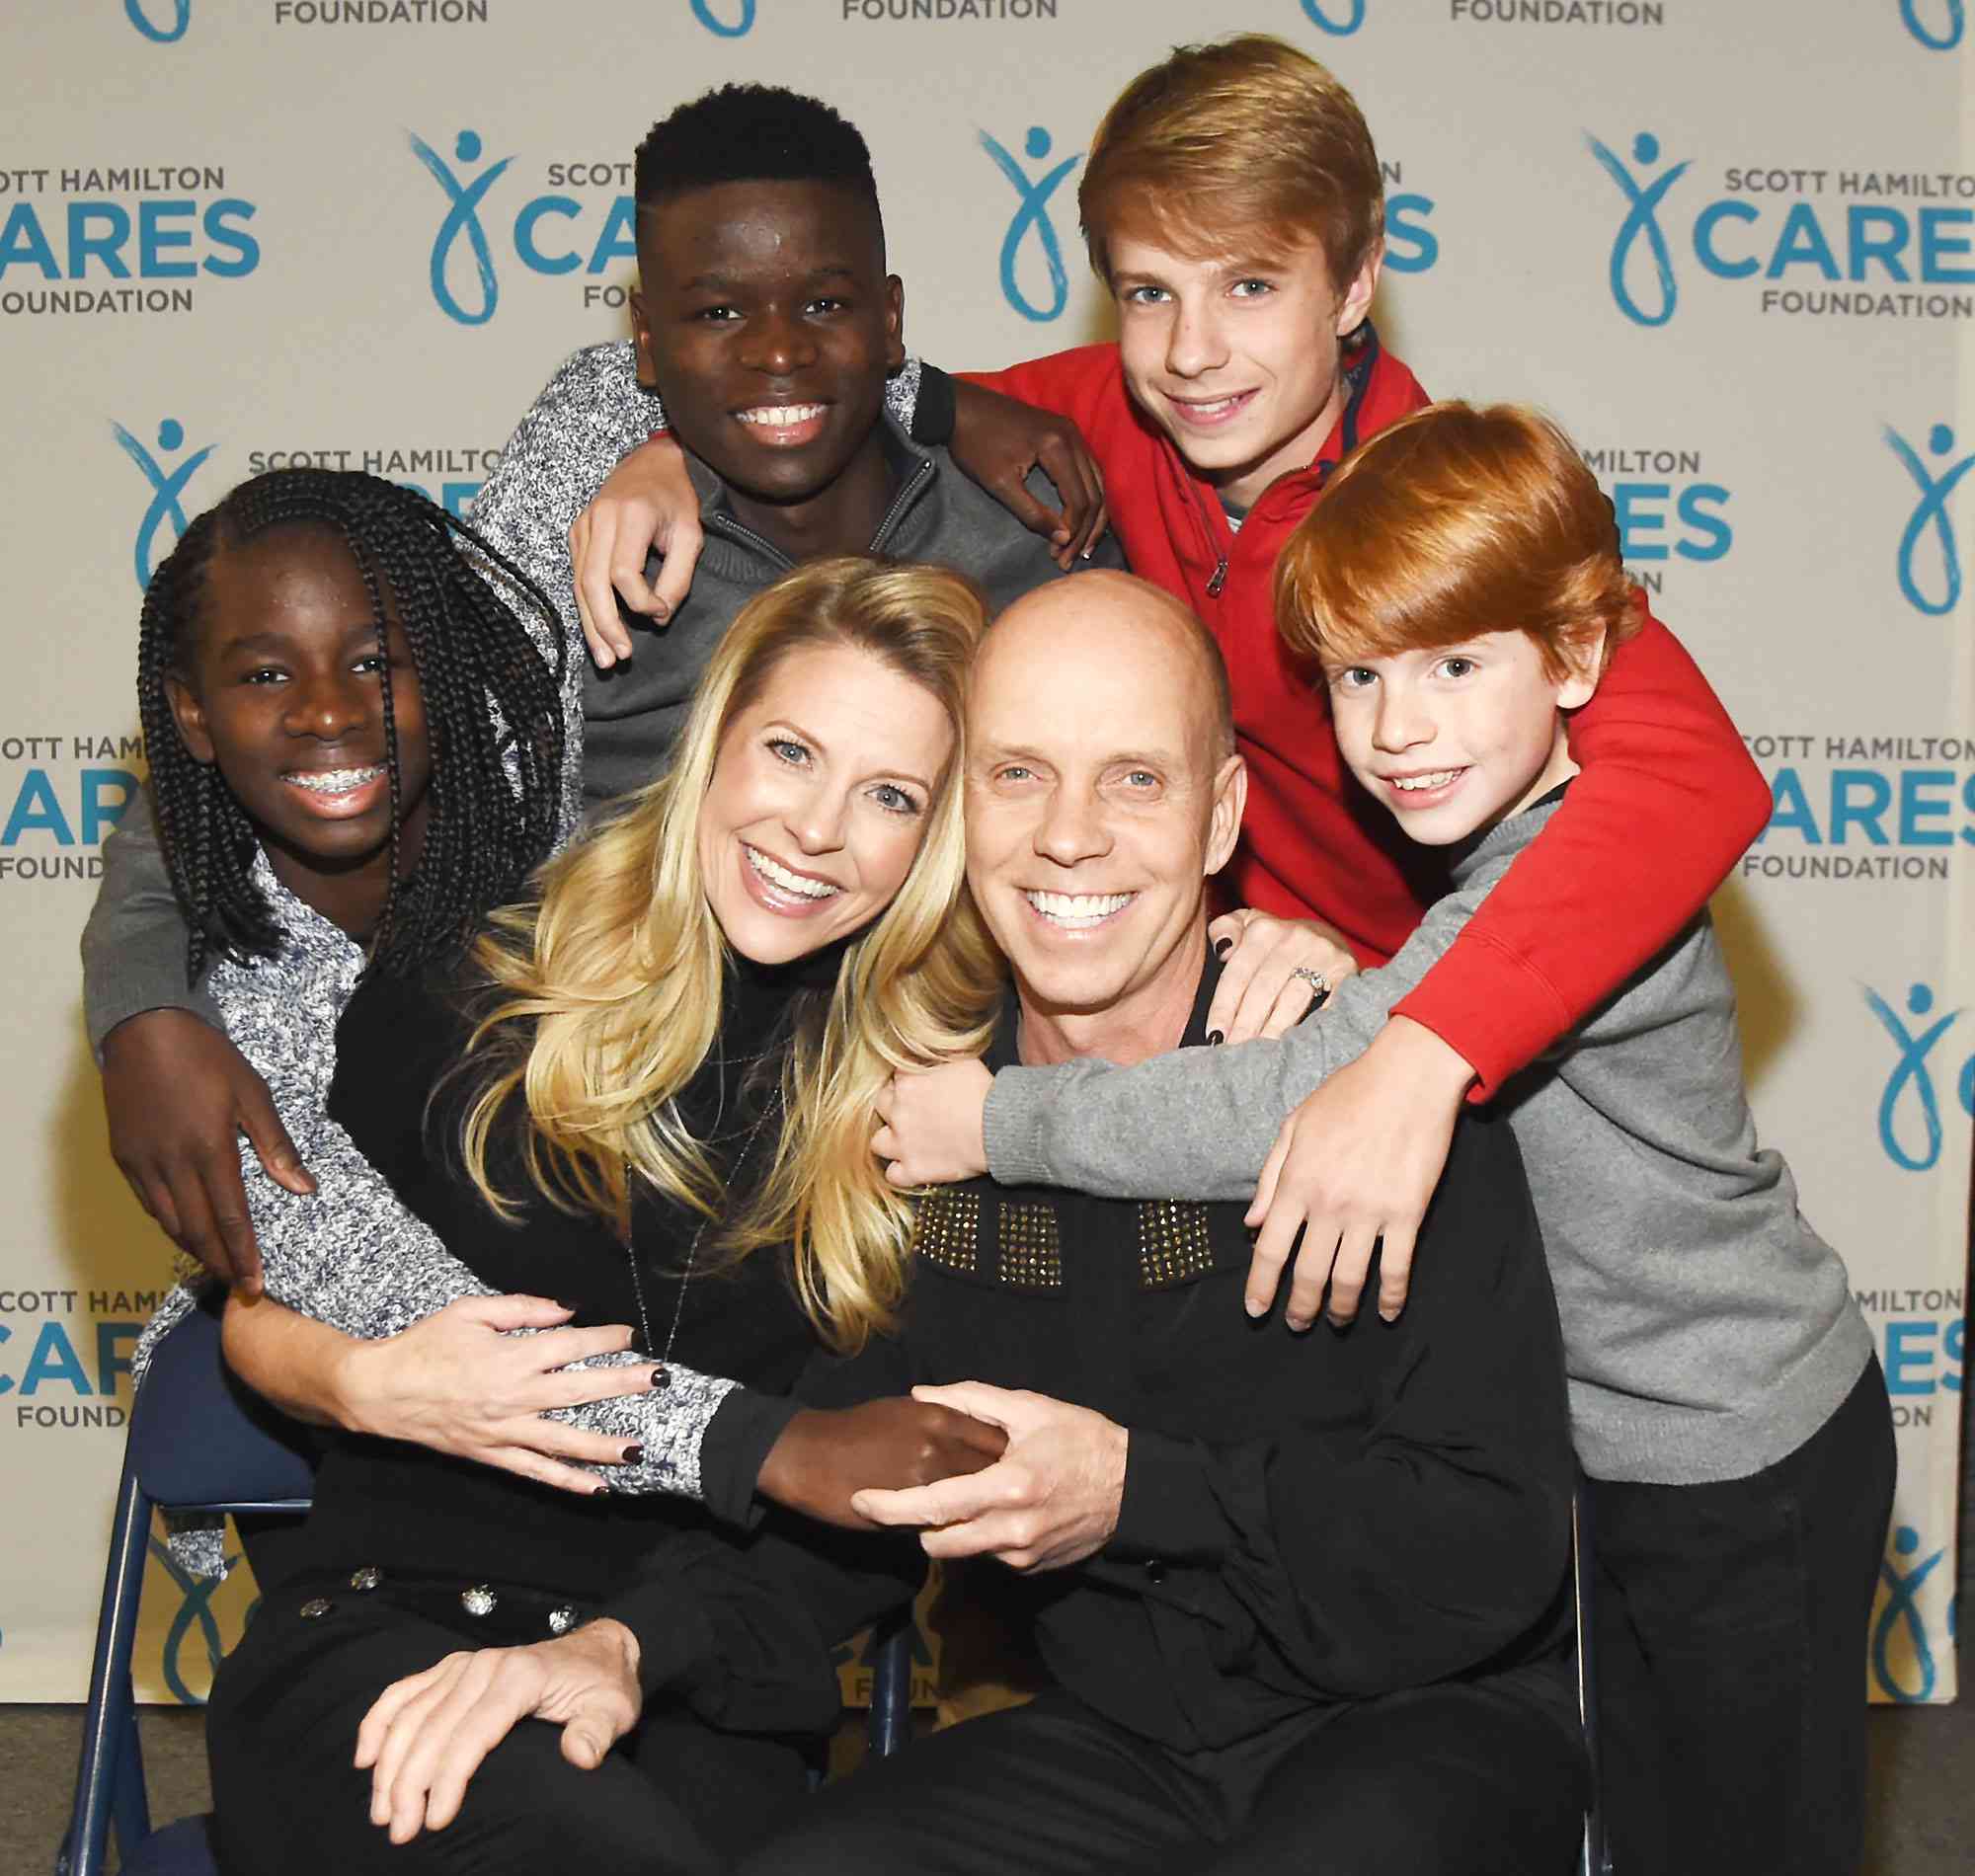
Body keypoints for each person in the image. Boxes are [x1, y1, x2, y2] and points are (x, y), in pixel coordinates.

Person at [356, 573, 1588, 1876]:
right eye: (1017, 776)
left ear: (1222, 813)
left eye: (1134, 781)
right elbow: (857, 1495)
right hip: (1118, 1754)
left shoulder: (1370, 1092)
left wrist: (1134, 1492)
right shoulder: (936, 1132)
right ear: (958, 813)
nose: (1069, 836)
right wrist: (621, 1648)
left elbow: (1492, 1541)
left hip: (1424, 1728)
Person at [575, 34, 1776, 1331]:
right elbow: (811, 381)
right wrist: (650, 450)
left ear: (1355, 285)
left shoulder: (1446, 510)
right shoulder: (1104, 415)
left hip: (1427, 1061)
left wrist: (1419, 1050)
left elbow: (1692, 776)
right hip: (1209, 1047)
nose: (1196, 352)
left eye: (1249, 286)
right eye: (1149, 294)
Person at [877, 407, 1894, 1876]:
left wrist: (996, 1118)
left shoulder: (1571, 883)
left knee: (1746, 1840)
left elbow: (1298, 1098)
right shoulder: (1489, 861)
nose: (1399, 729)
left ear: (1580, 663)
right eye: (1358, 676)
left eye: (1456, 667)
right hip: (1630, 1445)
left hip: (1741, 1444)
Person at [78, 81, 1130, 1298]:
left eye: (827, 307)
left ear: (890, 319)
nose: (777, 352)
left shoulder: (1028, 542)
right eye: (718, 312)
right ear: (644, 344)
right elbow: (305, 746)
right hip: (596, 1142)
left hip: (916, 1157)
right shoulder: (580, 526)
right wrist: (140, 1009)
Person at [145, 535, 1008, 1873]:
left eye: (891, 794)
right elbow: (264, 1284)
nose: (817, 830)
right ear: (717, 738)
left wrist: (621, 1649)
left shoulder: (944, 1114)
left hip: (689, 1696)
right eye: (790, 754)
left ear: (942, 834)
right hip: (391, 1641)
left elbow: (863, 1520)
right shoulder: (477, 968)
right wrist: (363, 1381)